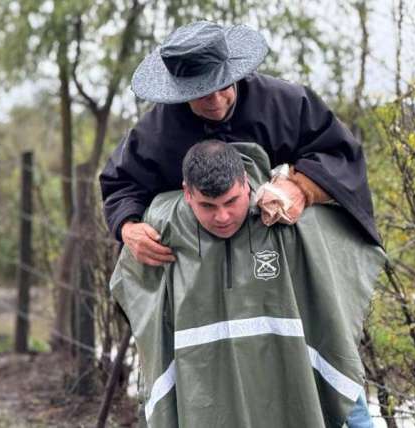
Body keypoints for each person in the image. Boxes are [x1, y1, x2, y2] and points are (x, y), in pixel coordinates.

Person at [110, 141, 383, 428]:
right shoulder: (165, 225)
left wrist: (301, 188)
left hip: (291, 361)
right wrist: (127, 227)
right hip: (208, 375)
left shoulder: (285, 212)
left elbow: (345, 168)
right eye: (208, 206)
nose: (222, 217)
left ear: (245, 184)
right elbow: (130, 283)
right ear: (187, 193)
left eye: (231, 202)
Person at [99, 20, 381, 267]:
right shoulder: (155, 132)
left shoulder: (285, 103)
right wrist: (128, 228)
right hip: (200, 270)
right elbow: (121, 184)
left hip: (286, 260)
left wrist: (302, 188)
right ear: (179, 90)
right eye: (201, 93)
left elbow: (340, 154)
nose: (216, 101)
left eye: (222, 85)